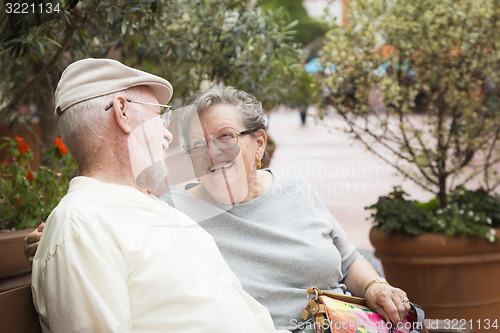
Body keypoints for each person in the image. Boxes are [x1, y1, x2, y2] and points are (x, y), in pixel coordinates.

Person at [26, 85, 411, 332]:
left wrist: (376, 286)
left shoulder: (296, 191)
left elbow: (347, 260)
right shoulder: (171, 211)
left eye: (225, 137)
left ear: (258, 143)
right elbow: (104, 220)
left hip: (348, 321)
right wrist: (47, 240)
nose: (212, 154)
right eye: (196, 145)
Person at [29, 58, 289, 333]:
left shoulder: (156, 210)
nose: (167, 135)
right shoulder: (82, 226)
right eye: (160, 117)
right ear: (123, 113)